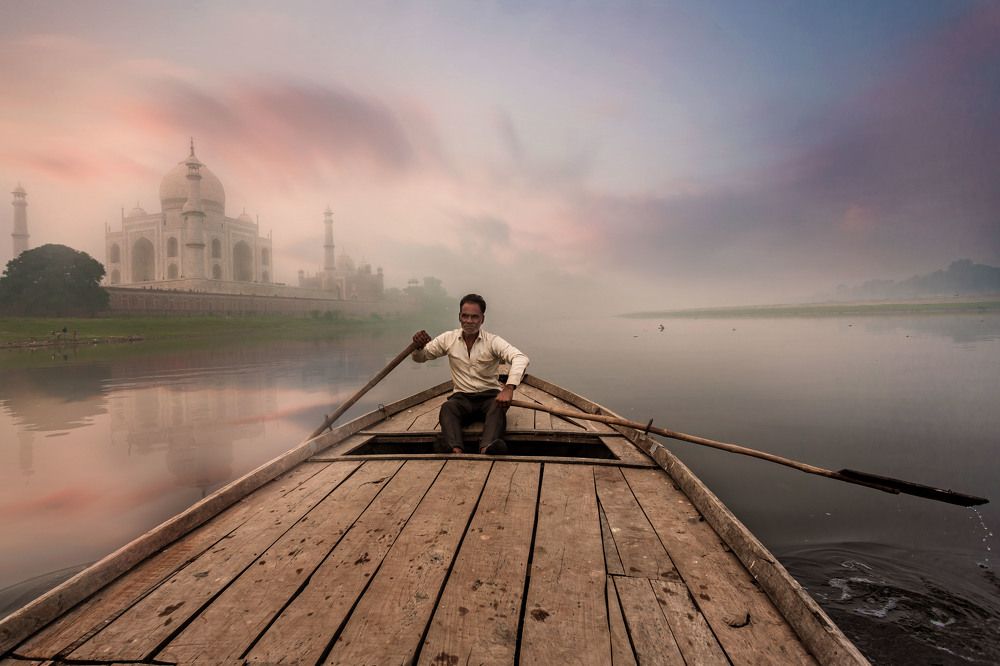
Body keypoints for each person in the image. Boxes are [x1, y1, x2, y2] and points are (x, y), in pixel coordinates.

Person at [412, 293, 529, 455]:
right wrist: (417, 347)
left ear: (482, 319)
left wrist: (509, 388)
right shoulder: (448, 339)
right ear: (459, 317)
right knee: (448, 408)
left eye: (474, 317)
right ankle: (455, 449)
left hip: (489, 397)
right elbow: (421, 357)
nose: (469, 321)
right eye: (465, 316)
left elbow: (520, 358)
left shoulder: (492, 341)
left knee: (497, 408)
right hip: (462, 398)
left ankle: (487, 447)